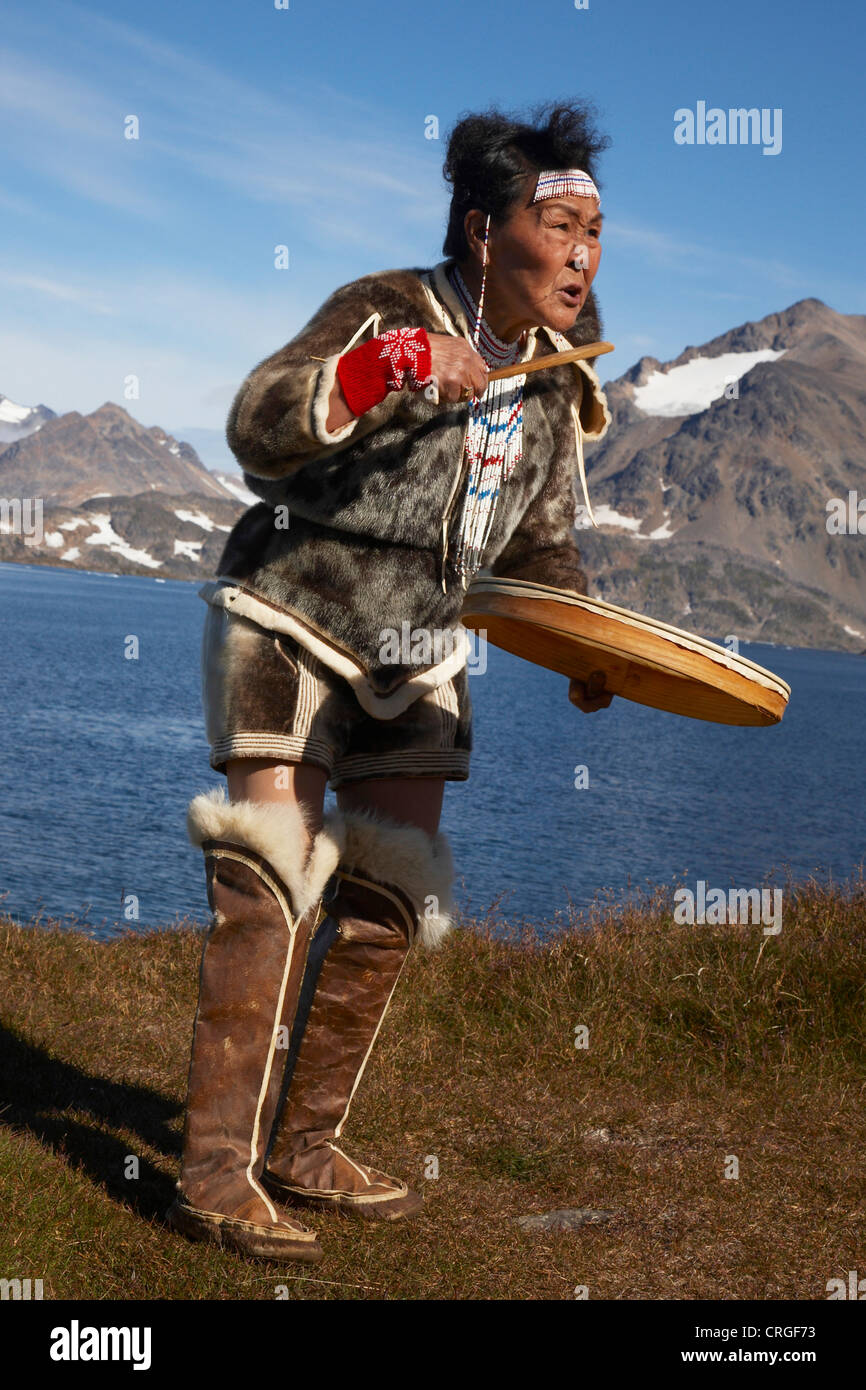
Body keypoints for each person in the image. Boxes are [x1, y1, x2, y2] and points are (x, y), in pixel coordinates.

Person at [167, 101, 613, 1263]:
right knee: (269, 876)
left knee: (387, 893)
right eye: (556, 224)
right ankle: (214, 1173)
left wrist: (584, 649)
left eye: (593, 233)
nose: (579, 255)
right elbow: (255, 425)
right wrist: (392, 364)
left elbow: (540, 548)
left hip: (421, 650)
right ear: (482, 230)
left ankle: (305, 1147)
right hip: (290, 613)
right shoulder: (383, 306)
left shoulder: (557, 377)